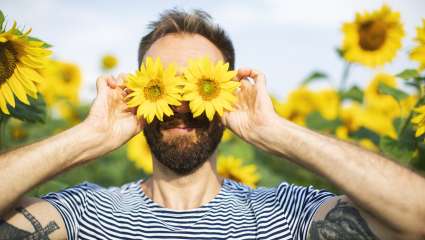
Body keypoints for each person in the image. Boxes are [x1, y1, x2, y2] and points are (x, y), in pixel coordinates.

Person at [1, 9, 424, 240]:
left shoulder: (287, 215)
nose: (182, 104)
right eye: (163, 84)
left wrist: (275, 132)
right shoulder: (86, 214)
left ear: (228, 92)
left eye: (200, 85)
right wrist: (87, 137)